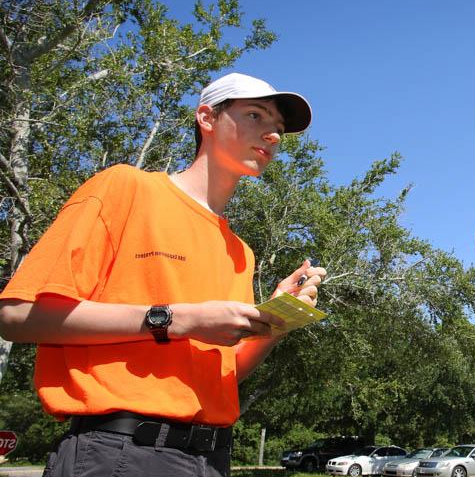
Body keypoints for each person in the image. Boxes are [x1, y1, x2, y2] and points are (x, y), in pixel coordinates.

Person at [0, 73, 328, 477]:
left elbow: (220, 376)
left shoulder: (240, 252)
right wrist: (179, 319)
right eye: (256, 115)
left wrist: (274, 323)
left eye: (278, 129)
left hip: (209, 459)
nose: (273, 136)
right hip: (118, 452)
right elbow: (16, 316)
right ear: (207, 118)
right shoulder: (126, 187)